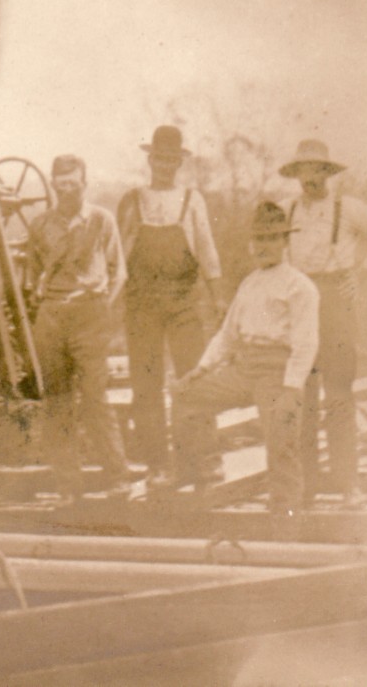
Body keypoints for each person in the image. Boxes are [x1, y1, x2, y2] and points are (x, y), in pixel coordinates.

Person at [171, 201, 319, 518]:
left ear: (284, 241)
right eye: (259, 239)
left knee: (281, 443)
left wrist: (292, 389)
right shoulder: (249, 283)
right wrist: (201, 370)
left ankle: (286, 517)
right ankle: (205, 470)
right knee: (186, 396)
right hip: (244, 367)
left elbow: (306, 344)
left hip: (278, 372)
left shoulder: (300, 286)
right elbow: (227, 335)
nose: (264, 246)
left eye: (272, 238)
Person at [279, 140, 367, 506]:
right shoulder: (287, 210)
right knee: (302, 395)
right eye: (303, 170)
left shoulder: (349, 208)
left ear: (327, 172)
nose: (310, 177)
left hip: (336, 305)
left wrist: (360, 271)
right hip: (299, 305)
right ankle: (306, 486)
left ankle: (348, 484)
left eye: (317, 169)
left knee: (339, 395)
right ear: (296, 174)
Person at [117, 124, 224, 483]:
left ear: (179, 163)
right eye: (159, 159)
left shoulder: (192, 200)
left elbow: (207, 250)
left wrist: (218, 296)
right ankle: (157, 464)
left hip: (182, 302)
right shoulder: (132, 201)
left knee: (193, 379)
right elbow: (118, 257)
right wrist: (110, 301)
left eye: (171, 160)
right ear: (150, 160)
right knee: (146, 384)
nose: (165, 165)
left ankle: (202, 460)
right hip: (142, 303)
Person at [24, 154, 132, 498]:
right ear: (53, 185)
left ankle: (119, 478)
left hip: (90, 314)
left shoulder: (101, 220)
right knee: (57, 402)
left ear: (84, 184)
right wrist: (46, 307)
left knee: (95, 398)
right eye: (61, 184)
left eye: (73, 184)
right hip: (53, 315)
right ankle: (68, 486)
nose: (67, 191)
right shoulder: (40, 225)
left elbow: (119, 273)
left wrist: (102, 309)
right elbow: (32, 277)